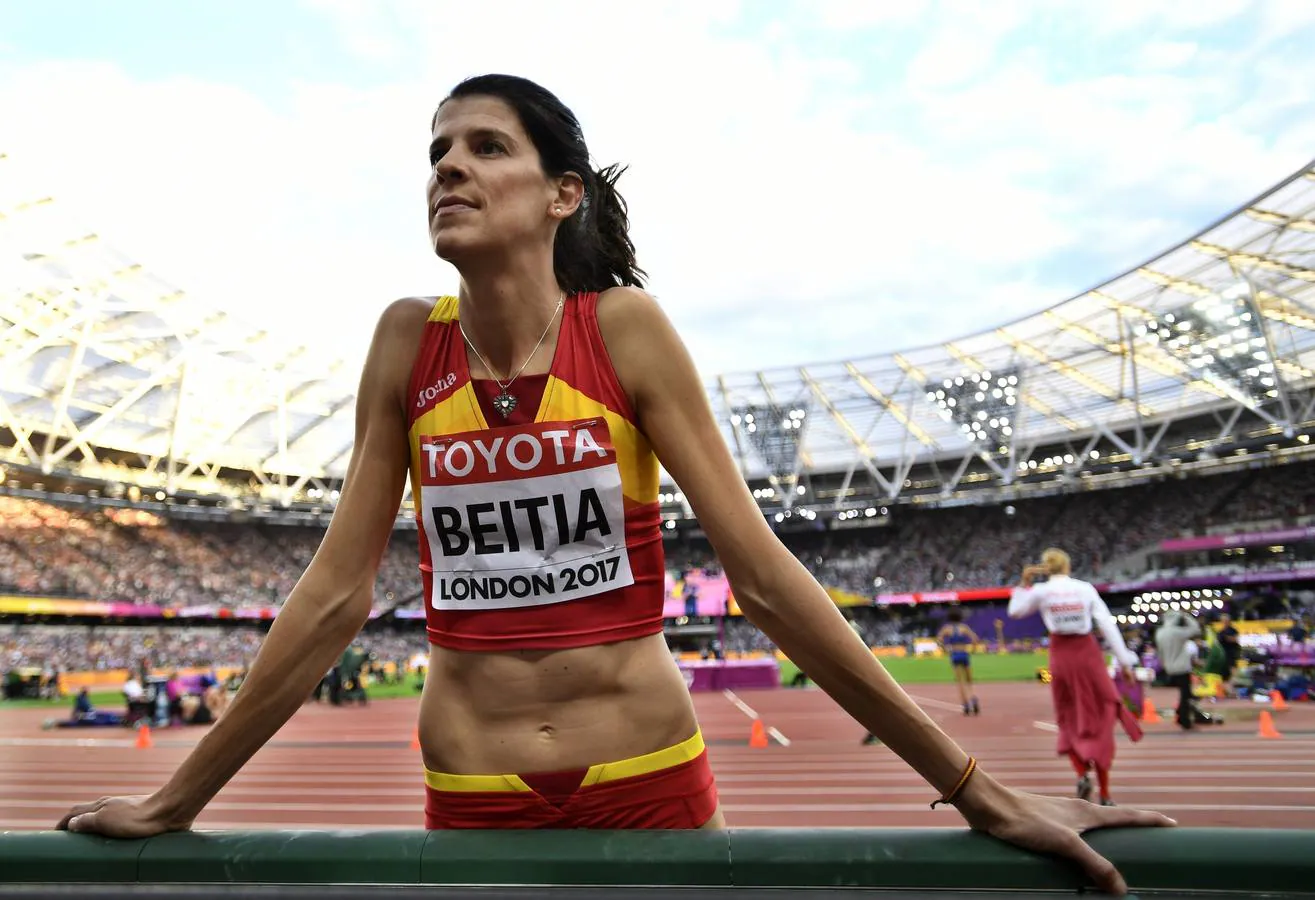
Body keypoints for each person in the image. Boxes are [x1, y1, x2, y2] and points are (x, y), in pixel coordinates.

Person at [57, 74, 1171, 895]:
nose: (446, 166)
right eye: (436, 150)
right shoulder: (406, 344)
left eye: (486, 147)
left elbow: (765, 579)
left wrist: (974, 786)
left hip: (650, 771)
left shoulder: (624, 332)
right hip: (473, 790)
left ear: (560, 196)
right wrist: (177, 799)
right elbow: (334, 595)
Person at [1009, 548, 1143, 807]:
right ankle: (1105, 792)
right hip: (1087, 654)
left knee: (1068, 717)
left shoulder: (1041, 591)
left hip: (1061, 657)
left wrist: (1024, 584)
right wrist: (1125, 661)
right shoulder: (1085, 588)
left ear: (1046, 568)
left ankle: (1081, 774)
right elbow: (1106, 624)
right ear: (1068, 566)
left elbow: (1015, 612)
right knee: (1102, 712)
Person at [1154, 612, 1201, 731]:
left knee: (1185, 694)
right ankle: (1185, 721)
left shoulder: (1160, 633)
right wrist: (1187, 617)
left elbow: (1160, 653)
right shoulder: (1177, 632)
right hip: (1182, 667)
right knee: (1186, 695)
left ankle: (1180, 714)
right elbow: (1195, 629)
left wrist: (1164, 665)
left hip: (1169, 667)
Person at [938, 608, 980, 716]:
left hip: (955, 654)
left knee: (960, 681)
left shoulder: (947, 628)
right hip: (964, 653)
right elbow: (975, 639)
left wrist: (945, 650)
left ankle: (965, 704)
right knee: (969, 680)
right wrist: (973, 650)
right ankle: (973, 698)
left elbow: (939, 640)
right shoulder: (964, 627)